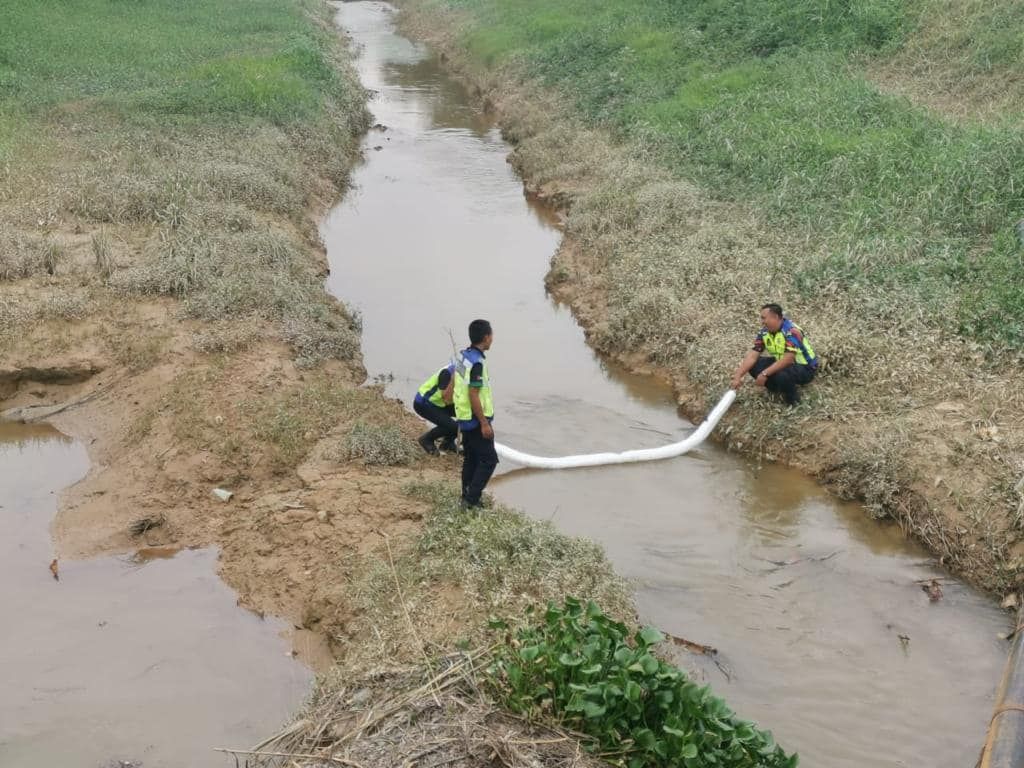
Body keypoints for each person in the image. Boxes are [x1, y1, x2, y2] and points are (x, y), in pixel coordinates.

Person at [731, 303, 818, 406]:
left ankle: (793, 400)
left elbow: (788, 359)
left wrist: (764, 374)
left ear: (775, 317)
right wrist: (738, 375)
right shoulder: (764, 332)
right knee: (754, 365)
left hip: (805, 368)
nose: (762, 322)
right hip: (784, 363)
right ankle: (777, 388)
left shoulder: (792, 331)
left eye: (764, 318)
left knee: (781, 373)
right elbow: (753, 355)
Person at [453, 319, 496, 509]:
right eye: (491, 336)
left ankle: (466, 495)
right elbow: (473, 393)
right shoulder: (477, 363)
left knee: (471, 458)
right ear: (486, 337)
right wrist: (484, 423)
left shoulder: (463, 357)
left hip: (463, 418)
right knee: (489, 460)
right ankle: (471, 500)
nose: (492, 340)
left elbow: (456, 382)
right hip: (476, 420)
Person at [413, 362, 458, 455]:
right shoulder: (447, 373)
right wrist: (454, 380)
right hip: (424, 403)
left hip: (439, 403)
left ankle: (448, 443)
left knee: (469, 415)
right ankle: (426, 440)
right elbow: (447, 399)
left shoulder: (469, 372)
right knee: (452, 426)